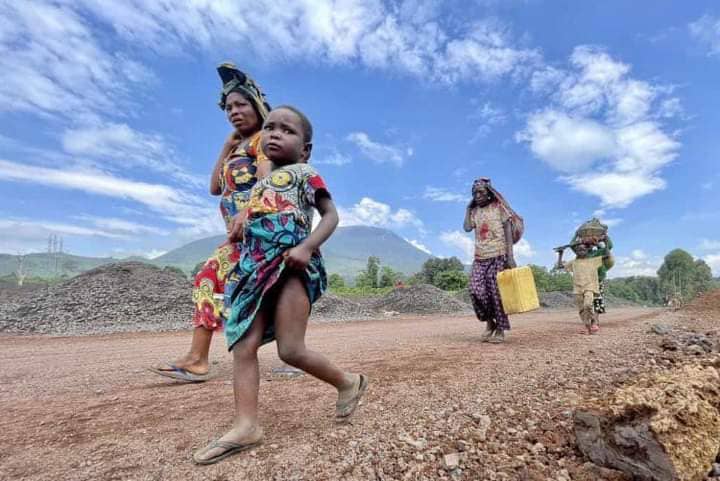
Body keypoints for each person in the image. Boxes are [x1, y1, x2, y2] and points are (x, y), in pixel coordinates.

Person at [193, 106, 368, 465]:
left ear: (305, 149)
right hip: (253, 271)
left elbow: (331, 215)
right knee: (244, 345)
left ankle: (348, 382)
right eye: (269, 127)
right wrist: (241, 221)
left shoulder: (306, 174)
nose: (274, 133)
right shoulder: (258, 187)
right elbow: (242, 217)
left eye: (287, 130)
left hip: (292, 268)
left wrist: (306, 247)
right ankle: (246, 425)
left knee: (290, 350)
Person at [150, 63, 271, 382]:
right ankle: (197, 358)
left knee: (243, 285)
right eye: (229, 107)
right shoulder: (237, 147)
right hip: (236, 239)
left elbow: (266, 182)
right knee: (209, 278)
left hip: (258, 235)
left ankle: (292, 351)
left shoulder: (263, 141)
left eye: (241, 104)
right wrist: (226, 146)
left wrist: (249, 211)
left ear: (257, 105)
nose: (234, 111)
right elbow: (215, 188)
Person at [463, 178, 523, 344]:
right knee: (476, 291)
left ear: (489, 193)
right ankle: (490, 323)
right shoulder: (474, 211)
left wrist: (510, 257)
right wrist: (468, 208)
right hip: (480, 257)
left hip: (499, 255)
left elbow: (508, 231)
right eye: (474, 193)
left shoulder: (498, 208)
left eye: (481, 192)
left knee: (495, 294)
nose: (478, 195)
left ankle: (500, 330)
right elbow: (468, 228)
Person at [555, 241, 614, 334]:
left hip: (590, 287)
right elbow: (559, 266)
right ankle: (587, 327)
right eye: (578, 250)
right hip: (577, 288)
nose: (581, 251)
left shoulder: (594, 260)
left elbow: (607, 255)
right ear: (576, 252)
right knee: (582, 309)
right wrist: (561, 254)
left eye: (583, 249)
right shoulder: (573, 262)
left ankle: (594, 322)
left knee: (588, 304)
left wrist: (605, 242)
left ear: (587, 250)